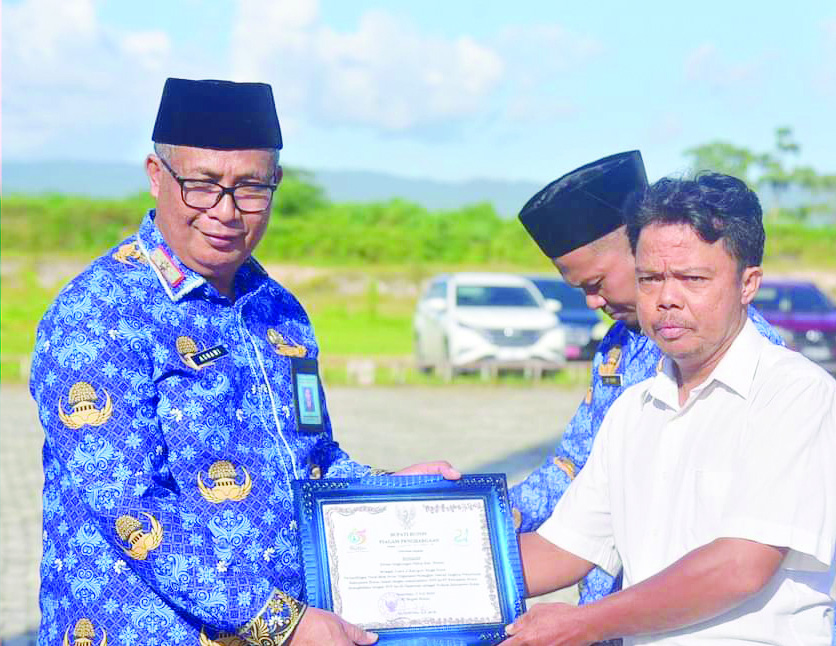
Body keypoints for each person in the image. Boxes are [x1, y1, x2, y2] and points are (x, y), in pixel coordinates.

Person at [30, 77, 457, 646]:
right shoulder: (99, 313)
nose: (226, 211)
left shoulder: (279, 312)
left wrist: (386, 493)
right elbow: (127, 502)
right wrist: (281, 620)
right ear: (157, 176)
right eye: (202, 186)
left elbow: (312, 458)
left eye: (251, 187)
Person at [503, 172, 836, 645]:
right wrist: (418, 576)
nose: (666, 299)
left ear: (748, 284)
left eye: (692, 278)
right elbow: (562, 548)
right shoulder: (633, 411)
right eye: (650, 279)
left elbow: (740, 566)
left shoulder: (794, 394)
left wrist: (584, 622)